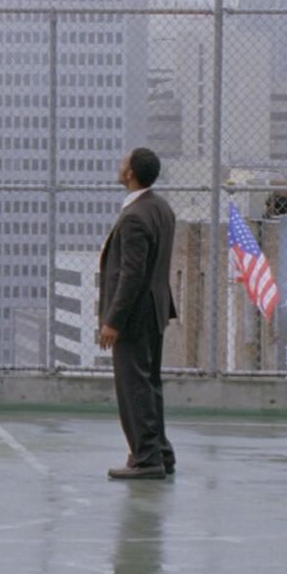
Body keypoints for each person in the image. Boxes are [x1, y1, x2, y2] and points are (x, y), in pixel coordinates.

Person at [98, 148, 178, 480]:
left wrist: (113, 320)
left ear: (130, 173)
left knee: (133, 385)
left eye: (123, 163)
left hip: (134, 315)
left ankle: (147, 458)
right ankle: (160, 451)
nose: (119, 166)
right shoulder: (161, 208)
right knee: (149, 383)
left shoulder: (134, 216)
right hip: (155, 310)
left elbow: (131, 274)